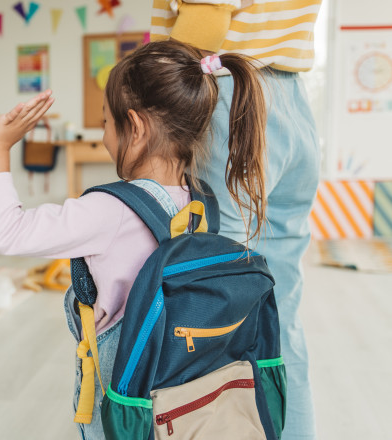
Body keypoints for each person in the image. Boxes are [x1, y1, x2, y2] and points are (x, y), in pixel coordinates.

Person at [0, 41, 268, 437]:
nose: (105, 137)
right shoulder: (201, 203)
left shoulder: (108, 211)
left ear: (137, 127)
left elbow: (7, 234)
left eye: (106, 125)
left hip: (125, 403)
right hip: (184, 399)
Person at [151, 2, 322, 438]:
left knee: (211, 311)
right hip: (294, 104)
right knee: (281, 311)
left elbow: (206, 22)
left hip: (230, 98)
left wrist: (144, 95)